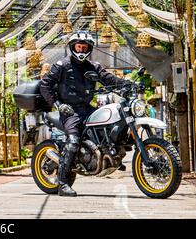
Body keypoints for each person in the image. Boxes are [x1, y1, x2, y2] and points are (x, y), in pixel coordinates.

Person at [39, 30, 132, 197]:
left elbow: (109, 79)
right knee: (73, 141)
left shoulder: (93, 67)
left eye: (84, 47)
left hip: (87, 108)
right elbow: (45, 85)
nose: (81, 50)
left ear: (89, 49)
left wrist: (127, 83)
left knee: (109, 124)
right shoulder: (62, 65)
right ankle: (62, 184)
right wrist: (58, 105)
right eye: (79, 47)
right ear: (73, 47)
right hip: (69, 111)